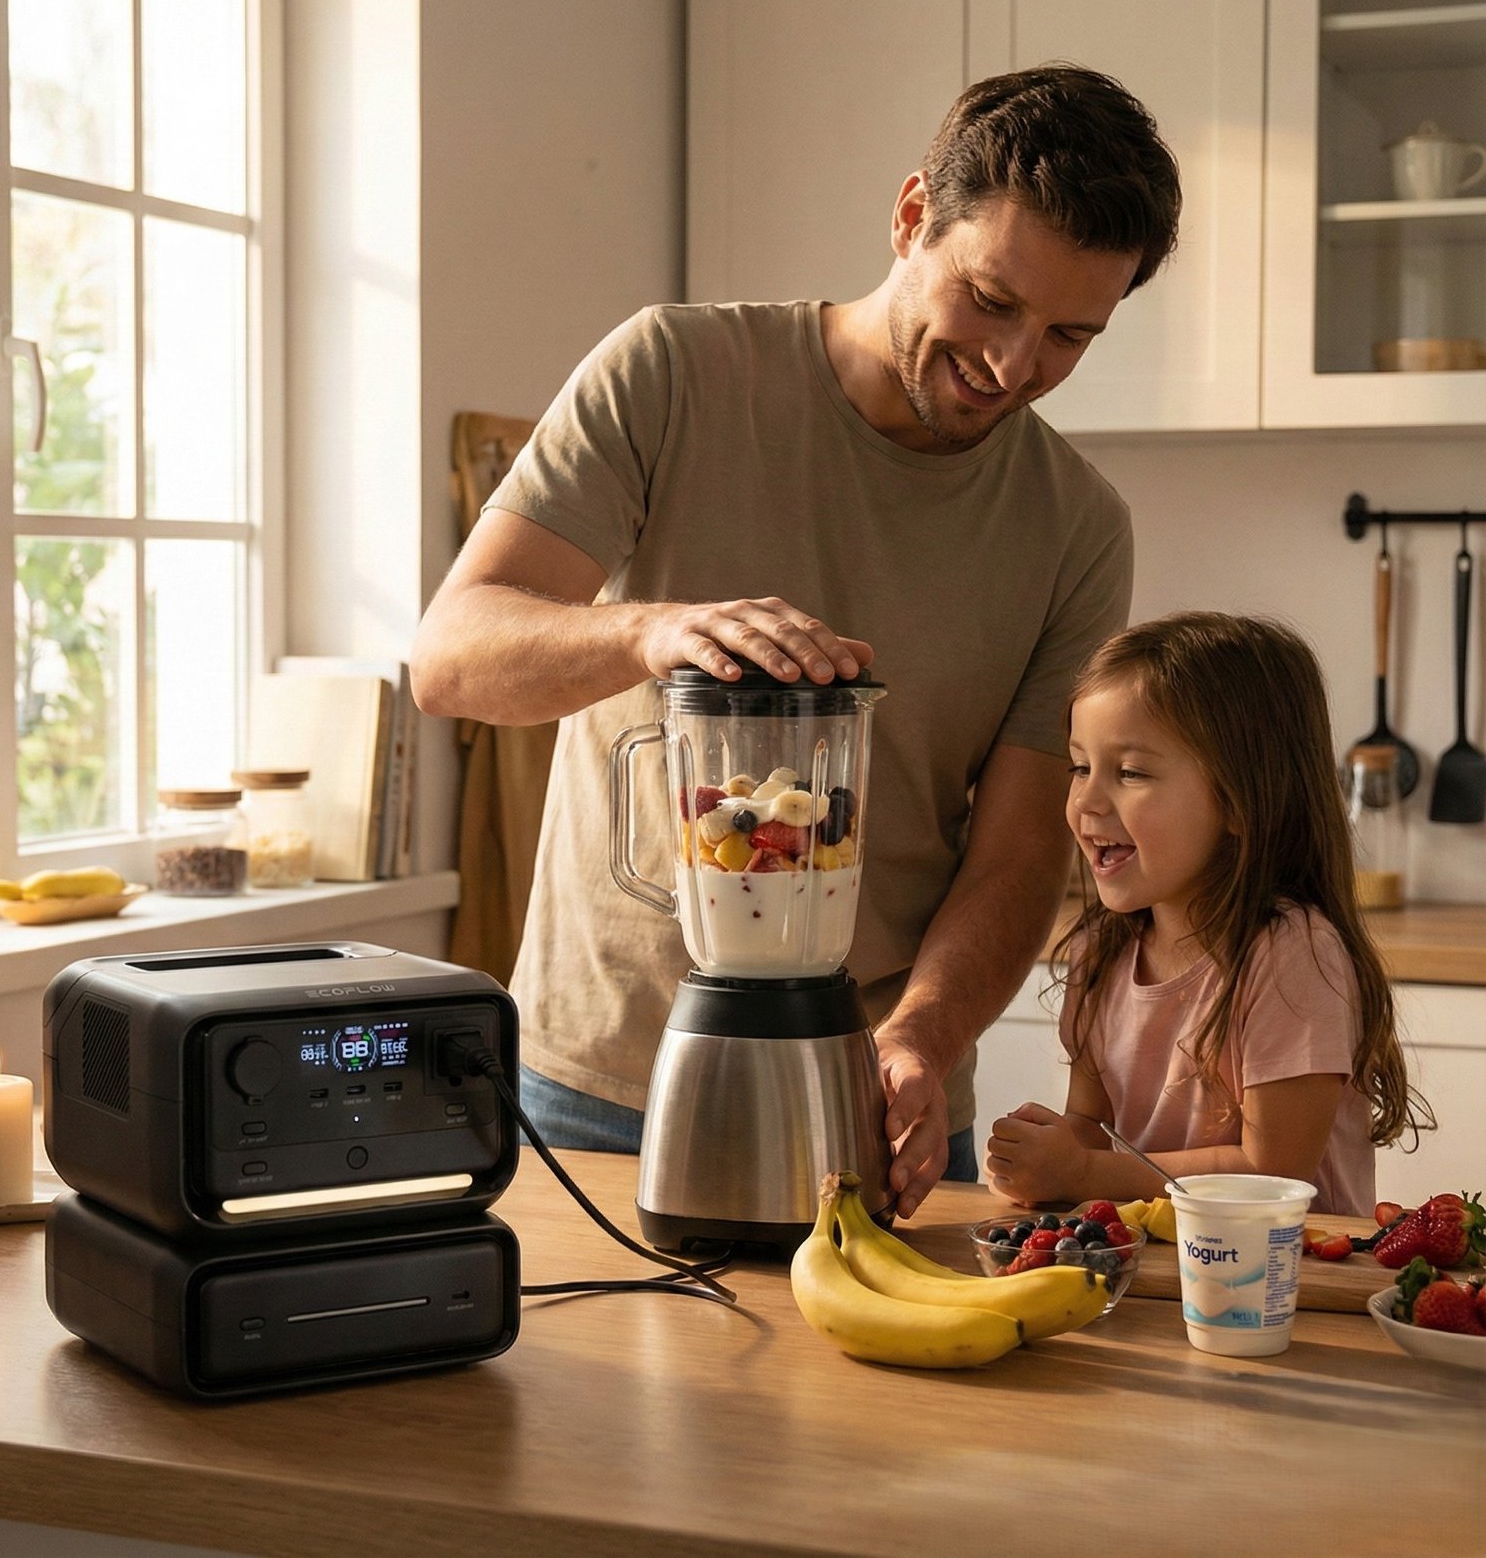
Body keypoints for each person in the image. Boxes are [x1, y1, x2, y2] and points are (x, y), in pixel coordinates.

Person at [410, 64, 1183, 1218]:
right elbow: (449, 659)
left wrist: (919, 1036)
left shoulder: (1075, 527)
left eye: (1071, 335)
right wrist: (651, 630)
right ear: (912, 215)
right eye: (991, 299)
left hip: (878, 1096)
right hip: (598, 1081)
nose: (1016, 367)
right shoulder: (672, 371)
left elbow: (1019, 854)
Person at [984, 613, 1432, 1218]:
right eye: (1080, 766)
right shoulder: (1099, 954)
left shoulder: (1290, 953)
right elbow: (1092, 1128)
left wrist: (1083, 1170)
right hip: (1170, 1268)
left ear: (1242, 802)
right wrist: (1050, 1161)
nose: (1086, 801)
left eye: (1131, 772)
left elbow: (1274, 1169)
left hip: (1293, 1285)